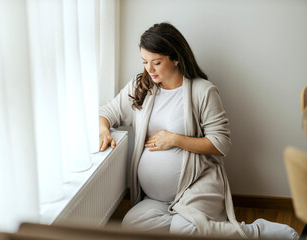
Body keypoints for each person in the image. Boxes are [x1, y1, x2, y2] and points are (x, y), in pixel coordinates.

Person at [99, 22, 298, 239]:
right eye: (145, 62)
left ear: (175, 58)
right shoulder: (142, 87)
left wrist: (175, 139)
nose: (149, 69)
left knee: (184, 230)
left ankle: (257, 232)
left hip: (196, 185)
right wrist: (104, 130)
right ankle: (191, 224)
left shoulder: (202, 91)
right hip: (155, 199)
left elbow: (222, 144)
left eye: (156, 62)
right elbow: (107, 112)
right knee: (131, 225)